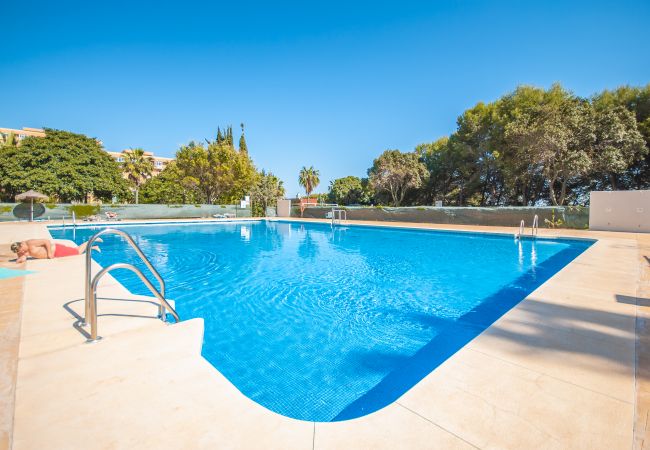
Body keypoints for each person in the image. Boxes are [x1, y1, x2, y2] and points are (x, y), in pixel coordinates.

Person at [10, 239, 101, 263]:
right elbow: (22, 258)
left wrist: (49, 254)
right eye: (19, 251)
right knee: (76, 251)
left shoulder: (30, 243)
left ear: (21, 245)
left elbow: (46, 241)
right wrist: (20, 259)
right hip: (56, 254)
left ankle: (91, 241)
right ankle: (92, 247)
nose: (20, 252)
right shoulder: (21, 250)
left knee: (77, 252)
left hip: (56, 250)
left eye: (20, 250)